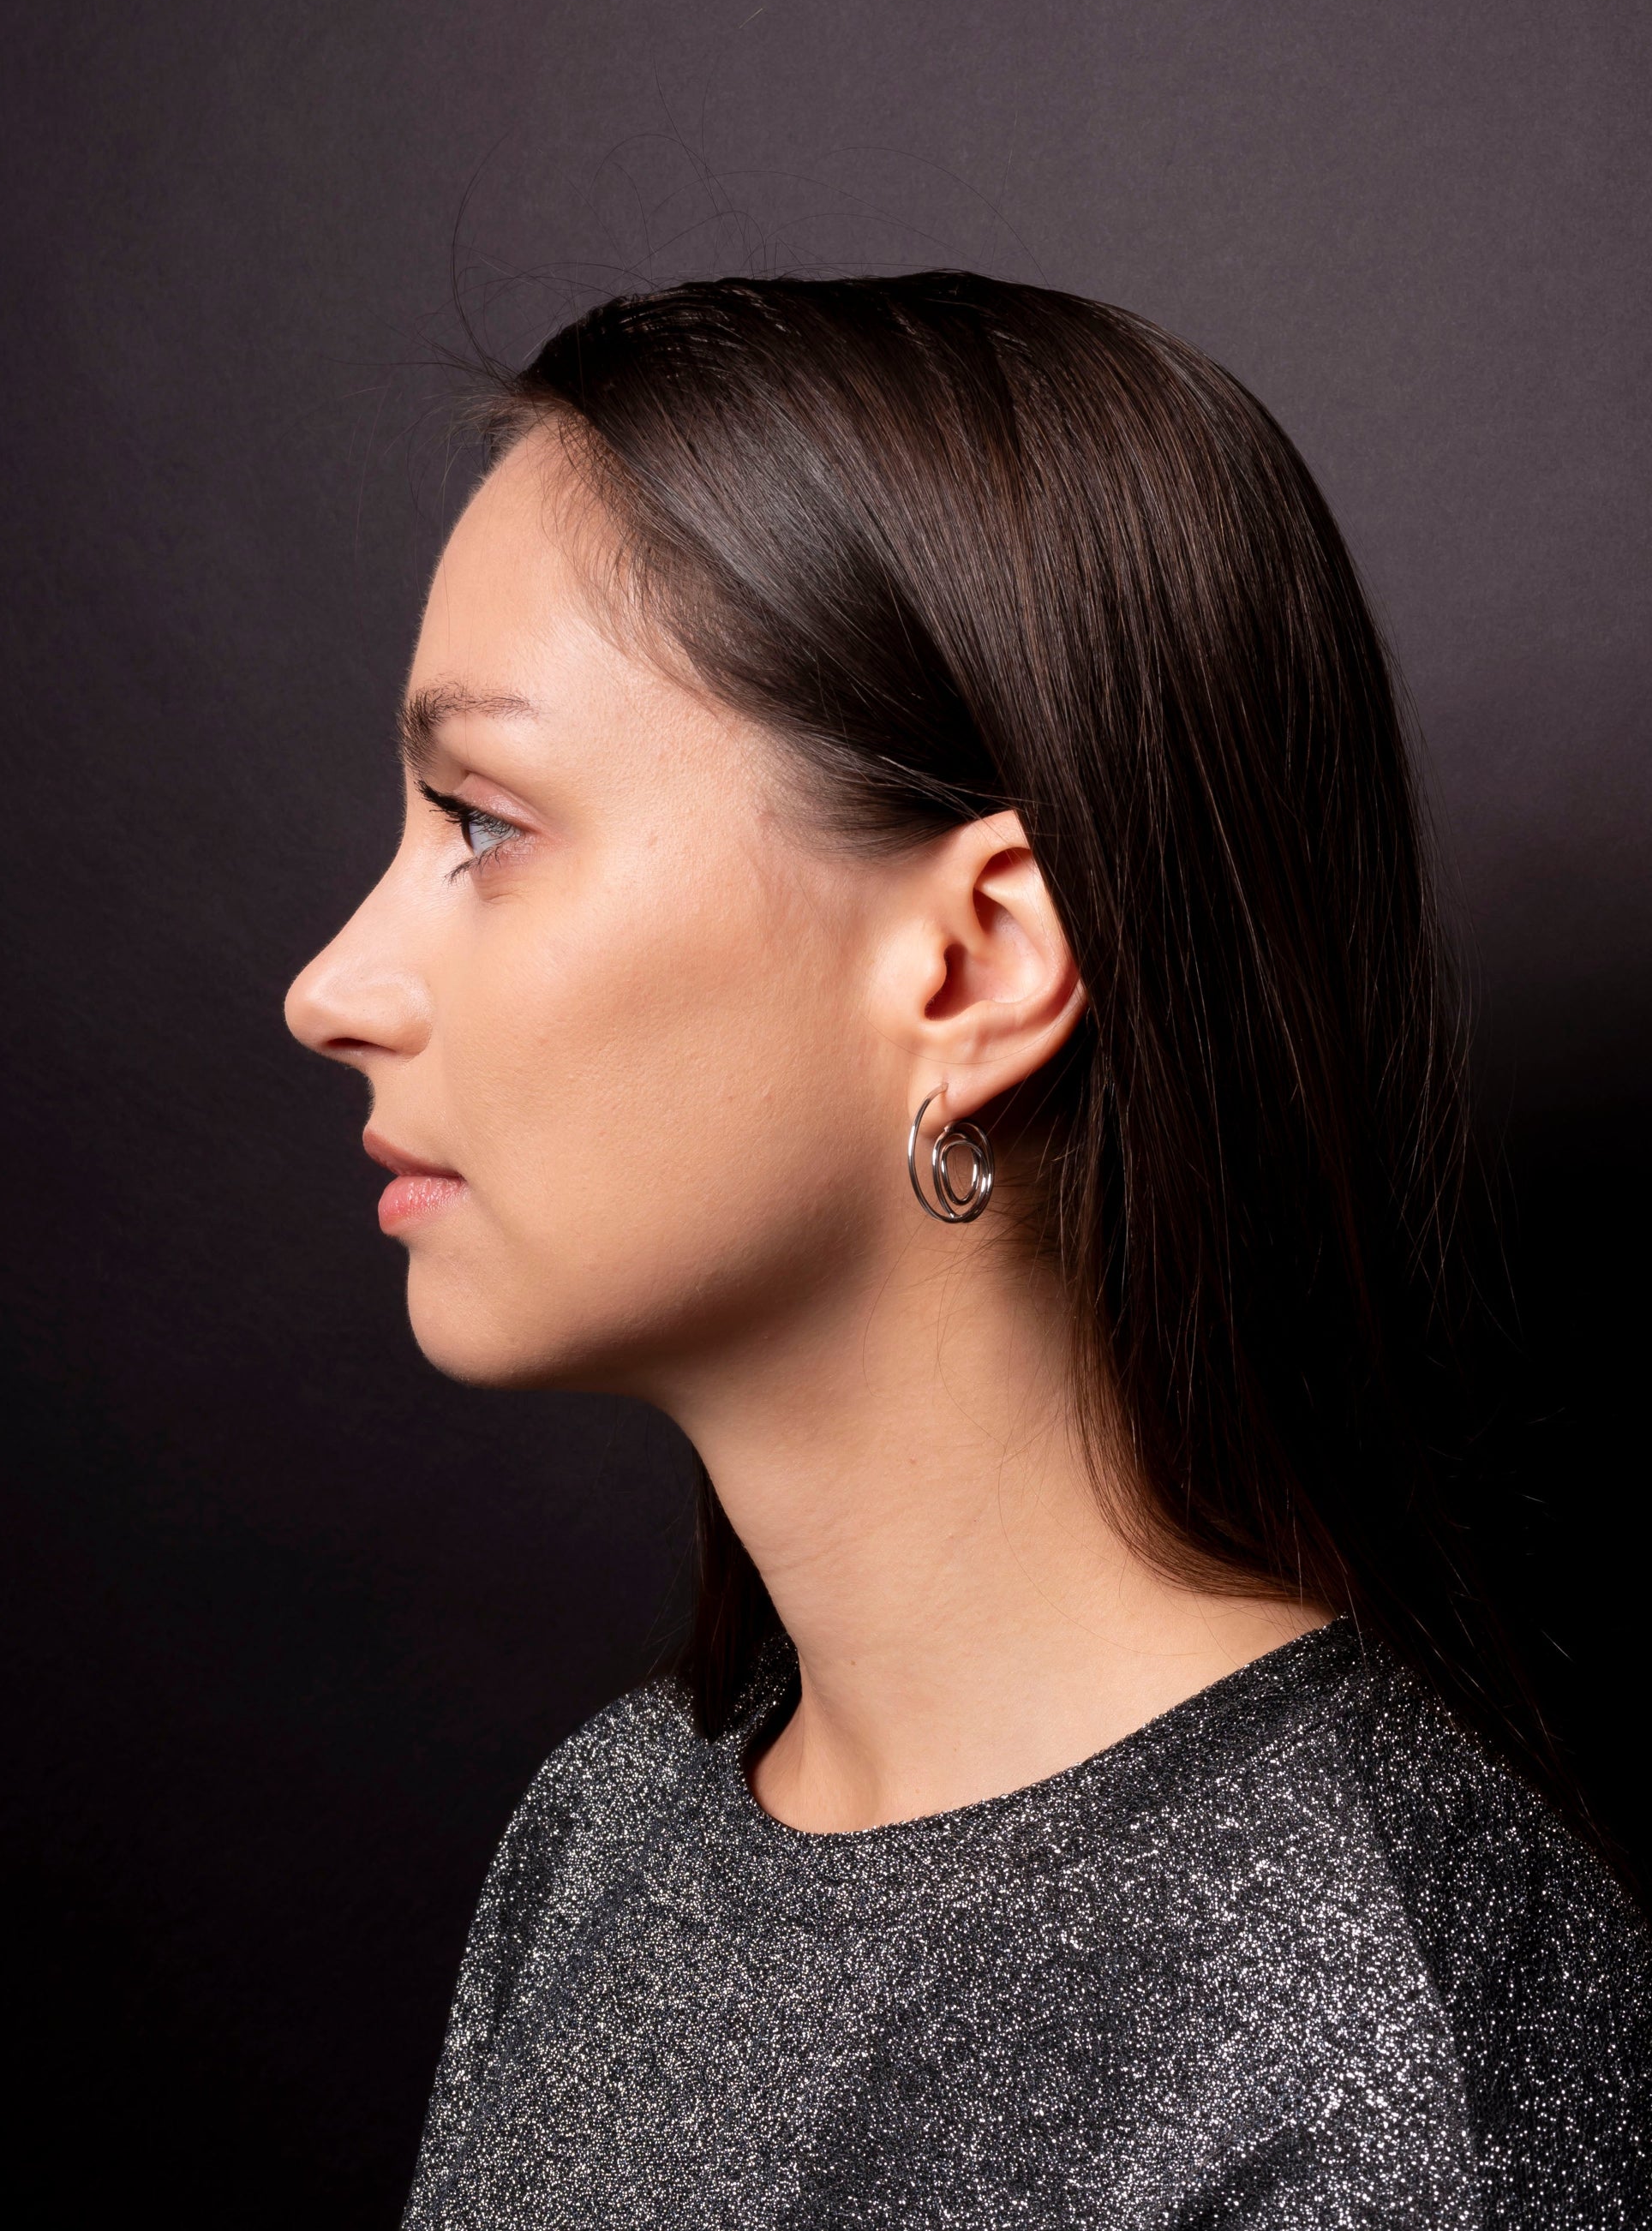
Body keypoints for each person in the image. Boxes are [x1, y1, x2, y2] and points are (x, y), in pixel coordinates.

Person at [284, 274, 1648, 2227]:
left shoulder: (1398, 2042)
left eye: (483, 822)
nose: (329, 986)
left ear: (978, 959)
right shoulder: (607, 1840)